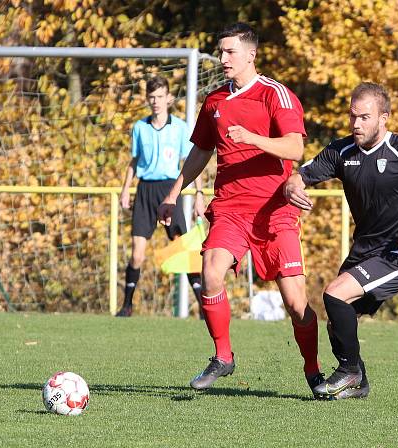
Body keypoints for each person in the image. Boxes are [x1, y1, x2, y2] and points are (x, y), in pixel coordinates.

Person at [157, 23, 323, 395]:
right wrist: (173, 193)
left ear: (251, 54)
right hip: (230, 208)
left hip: (274, 211)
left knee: (296, 303)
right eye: (221, 51)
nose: (223, 59)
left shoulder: (275, 95)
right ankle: (223, 356)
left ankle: (313, 371)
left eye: (230, 52)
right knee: (211, 272)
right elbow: (200, 151)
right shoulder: (215, 101)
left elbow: (295, 148)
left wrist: (253, 139)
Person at [284, 82, 398, 399]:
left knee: (335, 296)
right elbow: (300, 174)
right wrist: (292, 186)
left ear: (384, 118)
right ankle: (360, 383)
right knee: (340, 322)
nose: (356, 124)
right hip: (365, 252)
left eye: (364, 117)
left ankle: (349, 372)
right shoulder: (342, 151)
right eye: (353, 117)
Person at [116, 75, 204, 317]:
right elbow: (134, 161)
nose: (155, 101)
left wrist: (198, 193)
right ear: (147, 99)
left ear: (169, 98)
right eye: (151, 97)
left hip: (169, 191)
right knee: (137, 253)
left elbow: (192, 162)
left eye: (160, 97)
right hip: (145, 190)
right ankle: (127, 305)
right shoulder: (139, 127)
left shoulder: (180, 128)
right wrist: (126, 189)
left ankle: (204, 307)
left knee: (182, 247)